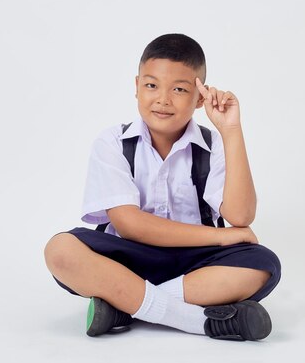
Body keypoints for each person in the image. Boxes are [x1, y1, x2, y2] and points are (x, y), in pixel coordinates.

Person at [44, 33, 281, 341]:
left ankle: (122, 304)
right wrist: (222, 236)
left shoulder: (213, 145)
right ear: (137, 86)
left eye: (180, 89)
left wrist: (231, 131)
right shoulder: (113, 142)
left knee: (262, 265)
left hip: (195, 263)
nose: (163, 99)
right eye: (151, 85)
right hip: (127, 259)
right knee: (61, 250)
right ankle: (198, 321)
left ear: (199, 98)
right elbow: (129, 225)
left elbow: (241, 214)